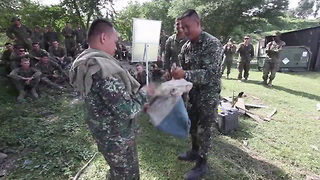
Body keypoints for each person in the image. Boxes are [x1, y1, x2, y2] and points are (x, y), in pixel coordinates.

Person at [69, 18, 153, 180]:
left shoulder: (87, 60)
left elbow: (110, 91)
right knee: (127, 176)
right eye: (115, 42)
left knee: (117, 172)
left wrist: (134, 75)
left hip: (105, 133)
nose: (116, 47)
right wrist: (145, 92)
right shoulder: (103, 69)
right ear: (103, 38)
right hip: (117, 138)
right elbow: (127, 110)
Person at [171, 9, 223, 180]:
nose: (184, 31)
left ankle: (202, 164)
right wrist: (175, 74)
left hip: (208, 96)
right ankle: (194, 151)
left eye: (187, 27)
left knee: (204, 130)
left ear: (198, 23)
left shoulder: (212, 44)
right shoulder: (186, 47)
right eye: (182, 28)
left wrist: (184, 74)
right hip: (193, 94)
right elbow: (184, 69)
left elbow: (210, 75)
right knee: (192, 125)